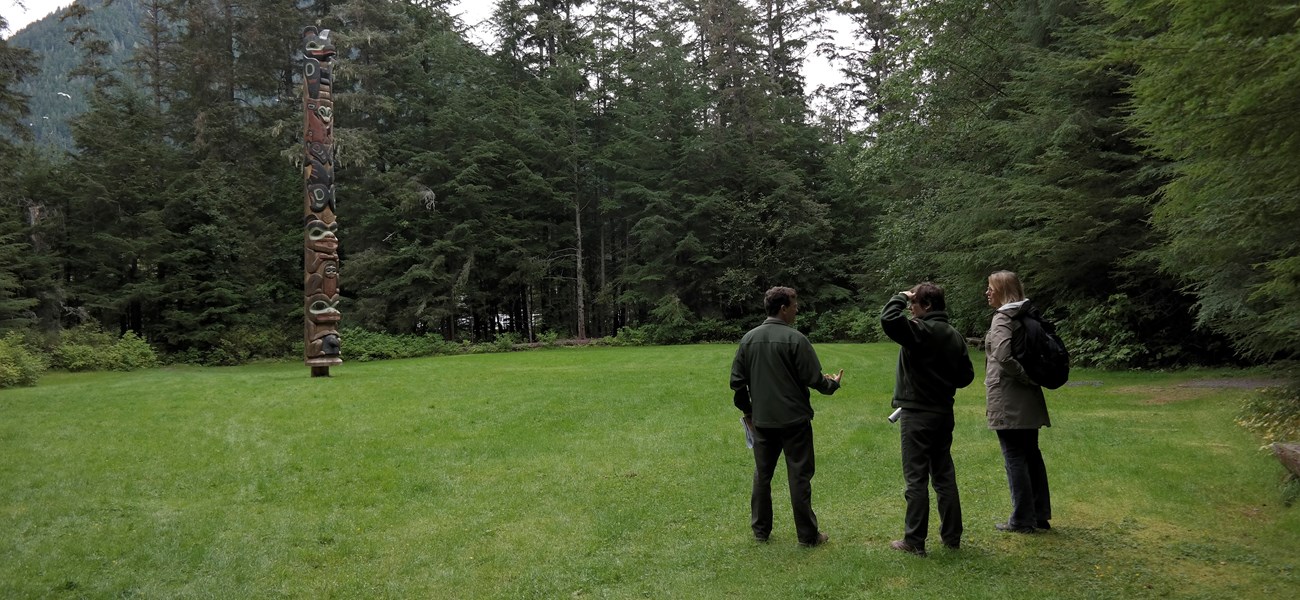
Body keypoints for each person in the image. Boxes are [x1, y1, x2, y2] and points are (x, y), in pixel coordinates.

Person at [731, 286, 843, 547]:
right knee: (799, 476)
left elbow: (737, 382)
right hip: (795, 422)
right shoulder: (796, 340)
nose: (797, 309)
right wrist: (833, 384)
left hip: (763, 422)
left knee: (762, 474)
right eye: (794, 305)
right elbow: (814, 379)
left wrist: (748, 411)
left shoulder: (749, 339)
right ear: (783, 308)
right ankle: (808, 536)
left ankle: (761, 531)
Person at [880, 283, 974, 557]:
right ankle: (952, 536)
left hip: (917, 414)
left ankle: (914, 540)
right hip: (943, 412)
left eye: (914, 303)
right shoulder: (954, 335)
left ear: (928, 305)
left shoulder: (919, 331)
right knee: (944, 475)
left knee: (916, 478)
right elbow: (966, 376)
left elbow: (888, 319)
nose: (910, 307)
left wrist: (899, 296)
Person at [984, 270, 1052, 534]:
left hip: (1009, 397)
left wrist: (1025, 377)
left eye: (990, 288)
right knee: (1031, 454)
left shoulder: (1003, 318)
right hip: (1027, 397)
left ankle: (1022, 520)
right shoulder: (1024, 312)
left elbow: (1002, 355)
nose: (987, 292)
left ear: (1002, 290)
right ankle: (1040, 514)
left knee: (1014, 456)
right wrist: (1031, 380)